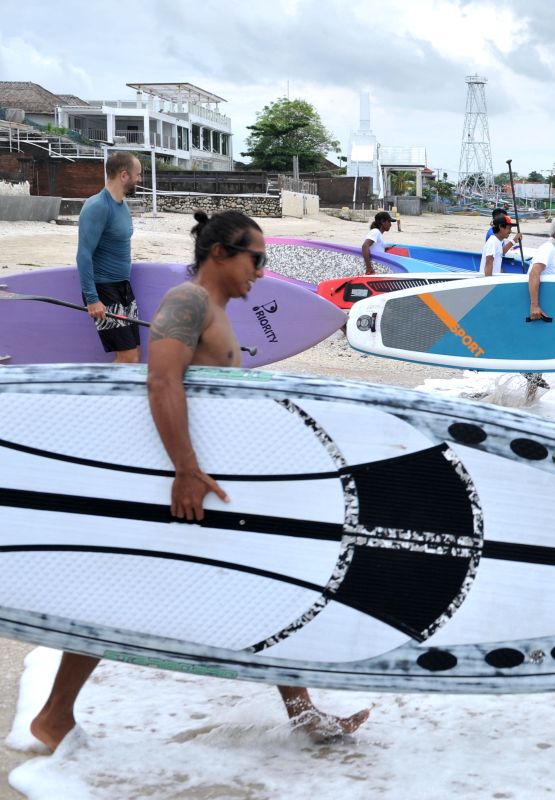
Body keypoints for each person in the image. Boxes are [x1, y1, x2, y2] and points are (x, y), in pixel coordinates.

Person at [29, 211, 370, 752]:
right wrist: (184, 470)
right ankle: (53, 717)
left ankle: (303, 715)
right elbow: (161, 380)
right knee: (136, 593)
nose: (262, 270)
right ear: (221, 253)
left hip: (210, 480)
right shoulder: (187, 302)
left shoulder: (216, 310)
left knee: (263, 588)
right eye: (256, 258)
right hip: (186, 479)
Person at [76, 151, 143, 363]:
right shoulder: (98, 206)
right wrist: (93, 298)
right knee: (128, 356)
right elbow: (83, 255)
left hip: (123, 288)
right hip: (104, 291)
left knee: (135, 355)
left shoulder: (122, 205)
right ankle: (103, 395)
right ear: (124, 175)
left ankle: (121, 396)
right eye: (138, 175)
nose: (139, 180)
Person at [523, 214, 555, 392]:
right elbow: (534, 273)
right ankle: (530, 383)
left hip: (544, 310)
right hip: (537, 309)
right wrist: (534, 305)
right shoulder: (548, 249)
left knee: (539, 355)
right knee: (537, 352)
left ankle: (528, 404)